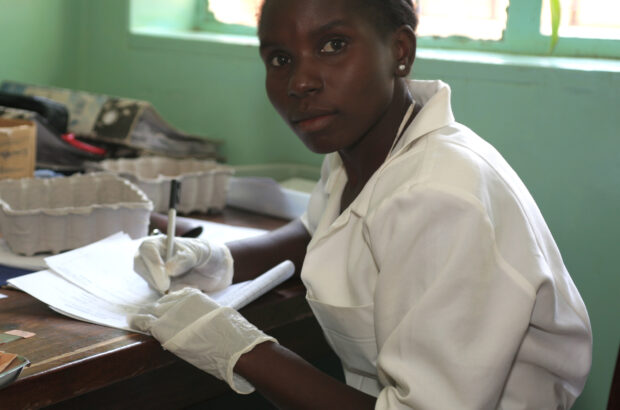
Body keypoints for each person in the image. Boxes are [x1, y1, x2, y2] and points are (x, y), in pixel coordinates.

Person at [129, 0, 593, 408]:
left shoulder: (441, 197)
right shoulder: (369, 142)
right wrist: (219, 261)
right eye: (280, 58)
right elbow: (318, 231)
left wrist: (242, 350)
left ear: (400, 52)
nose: (300, 82)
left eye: (333, 45)